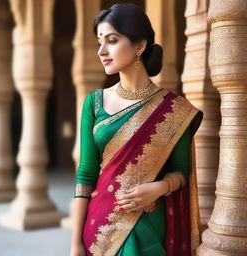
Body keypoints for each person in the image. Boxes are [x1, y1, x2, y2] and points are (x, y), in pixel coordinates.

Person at [70, 3, 203, 256]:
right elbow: (85, 176)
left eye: (111, 40)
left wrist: (159, 188)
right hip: (99, 230)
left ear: (139, 46)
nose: (102, 51)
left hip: (149, 226)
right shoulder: (94, 102)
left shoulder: (175, 110)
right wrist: (75, 244)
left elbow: (180, 172)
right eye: (99, 42)